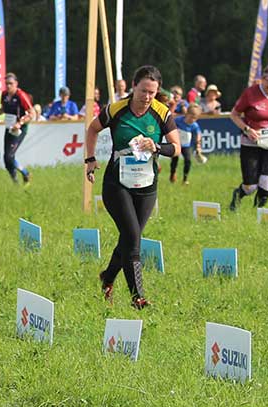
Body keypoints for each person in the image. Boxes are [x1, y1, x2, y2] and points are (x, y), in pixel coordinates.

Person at [83, 64, 180, 310]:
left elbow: (176, 148)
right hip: (117, 184)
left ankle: (107, 277)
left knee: (129, 237)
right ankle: (138, 297)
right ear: (134, 86)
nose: (147, 97)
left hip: (146, 184)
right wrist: (90, 159)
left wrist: (157, 146)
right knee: (133, 237)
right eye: (143, 91)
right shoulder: (117, 110)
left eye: (152, 92)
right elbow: (93, 129)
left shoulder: (162, 113)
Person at [228, 64, 268, 211]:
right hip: (251, 143)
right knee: (250, 186)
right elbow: (234, 115)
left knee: (267, 182)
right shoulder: (250, 93)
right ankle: (238, 195)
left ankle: (257, 213)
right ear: (263, 79)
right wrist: (247, 129)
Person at [0, 73, 34, 184]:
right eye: (7, 84)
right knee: (6, 158)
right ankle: (16, 181)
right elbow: (3, 109)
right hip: (9, 128)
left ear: (16, 84)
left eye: (11, 83)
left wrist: (20, 123)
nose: (8, 86)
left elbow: (31, 113)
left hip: (19, 129)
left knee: (9, 156)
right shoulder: (4, 94)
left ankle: (25, 174)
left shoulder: (21, 95)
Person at [169, 104, 201, 184]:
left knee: (188, 160)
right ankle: (173, 173)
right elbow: (170, 127)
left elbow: (198, 135)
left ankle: (185, 179)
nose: (192, 120)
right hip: (176, 144)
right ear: (187, 114)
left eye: (195, 118)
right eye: (191, 117)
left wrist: (198, 146)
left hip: (186, 145)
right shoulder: (178, 120)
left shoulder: (194, 125)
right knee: (174, 160)